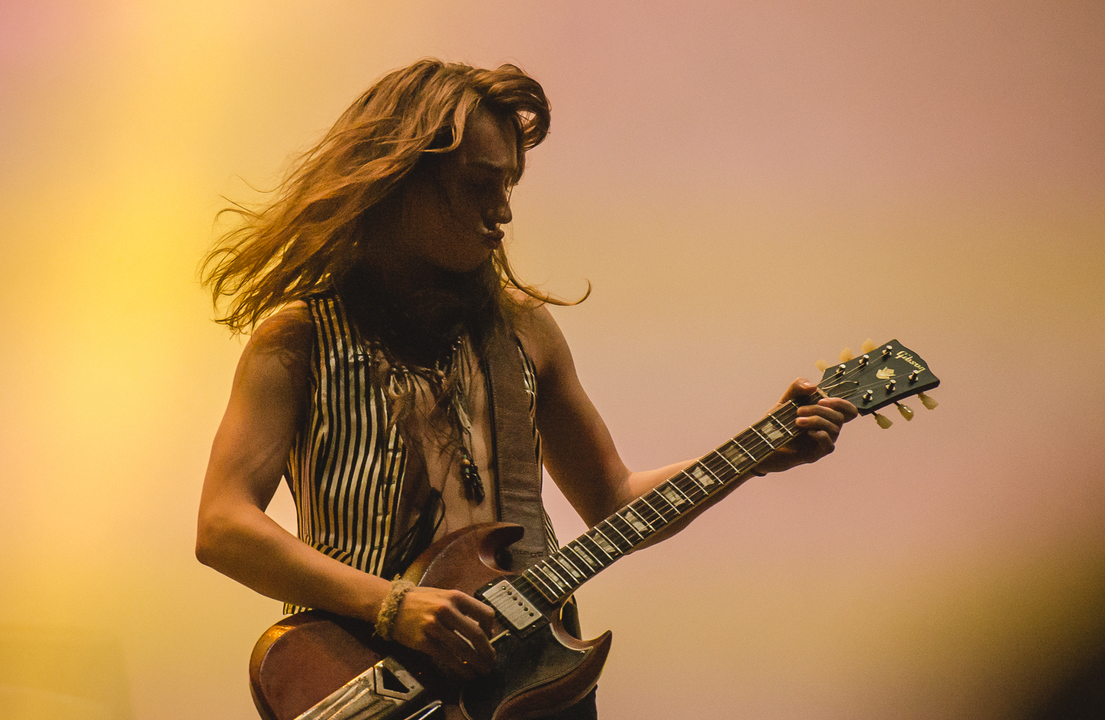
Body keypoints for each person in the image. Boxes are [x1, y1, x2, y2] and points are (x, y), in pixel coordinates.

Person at [196, 59, 857, 718]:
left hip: (533, 687)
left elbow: (611, 497)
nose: (504, 210)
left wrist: (755, 456)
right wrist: (392, 606)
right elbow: (223, 526)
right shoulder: (298, 339)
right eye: (482, 183)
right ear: (402, 177)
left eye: (510, 183)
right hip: (369, 686)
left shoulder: (523, 328)